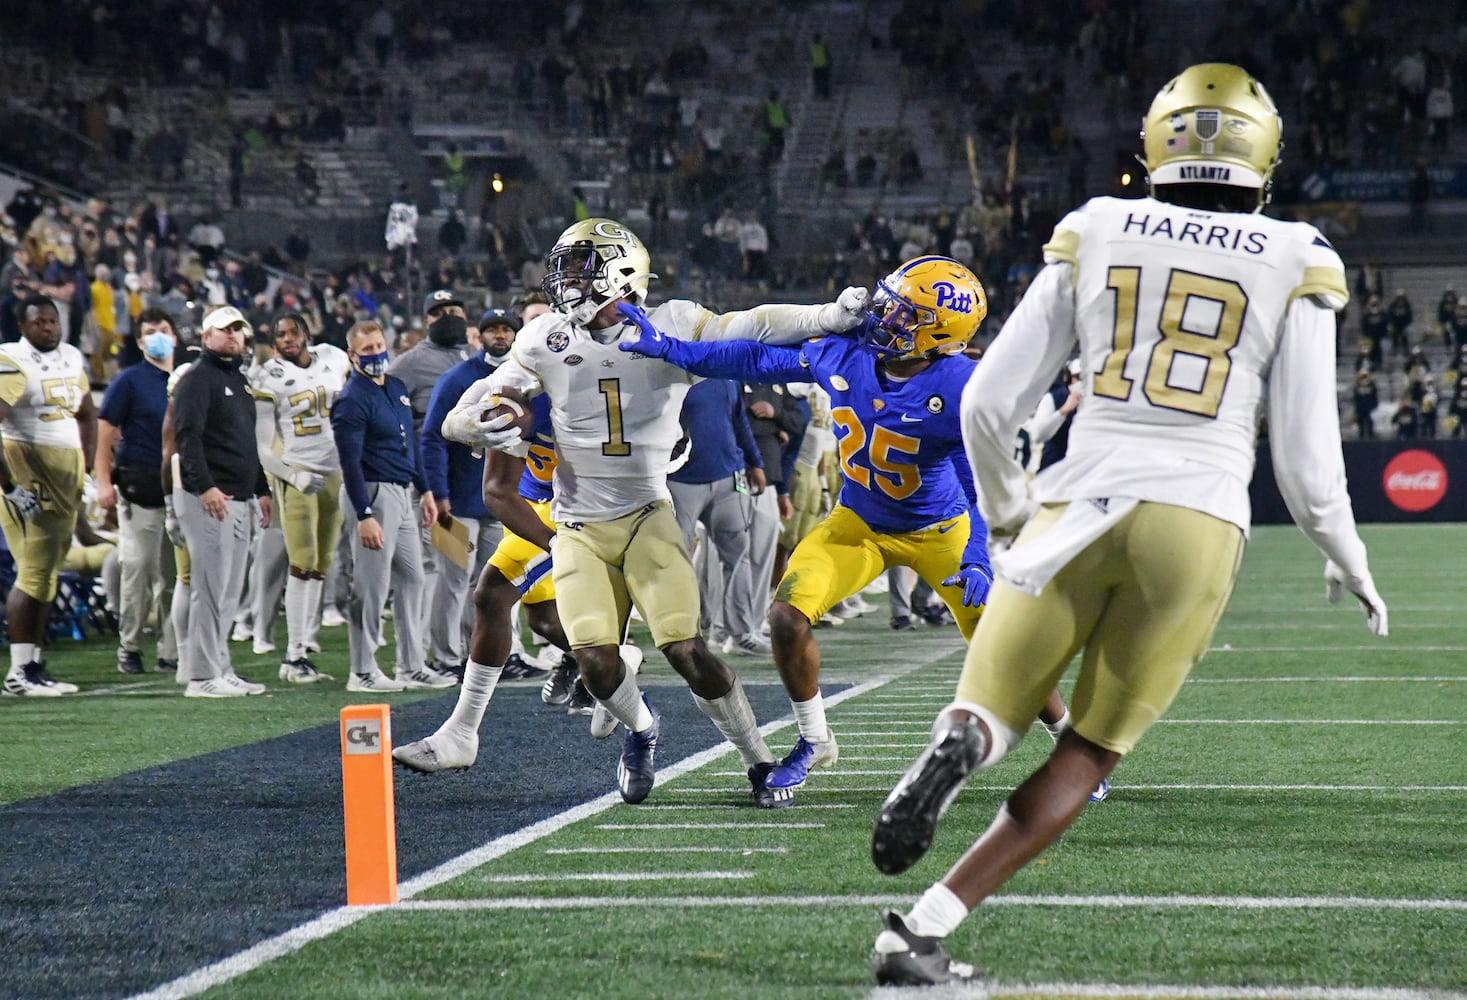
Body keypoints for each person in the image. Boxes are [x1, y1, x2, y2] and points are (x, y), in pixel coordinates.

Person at [864, 63, 1389, 986]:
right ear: (1261, 155)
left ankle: (962, 747)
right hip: (1197, 516)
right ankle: (921, 931)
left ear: (1157, 139)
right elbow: (1305, 454)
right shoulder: (1298, 251)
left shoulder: (1095, 223)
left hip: (1078, 495)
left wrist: (1009, 509)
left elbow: (989, 400)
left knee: (990, 709)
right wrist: (1343, 551)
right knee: (1086, 751)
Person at [439, 217, 871, 806]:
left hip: (648, 511)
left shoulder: (672, 324)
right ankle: (643, 729)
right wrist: (463, 422)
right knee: (593, 660)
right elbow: (483, 395)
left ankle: (758, 759)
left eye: (580, 268)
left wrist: (827, 316)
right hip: (576, 522)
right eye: (565, 268)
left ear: (619, 272)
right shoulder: (546, 337)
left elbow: (755, 324)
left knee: (687, 649)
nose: (566, 282)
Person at [617, 257, 1084, 798]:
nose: (883, 317)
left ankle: (1070, 742)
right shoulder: (848, 351)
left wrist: (978, 554)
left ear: (940, 333)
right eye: (889, 302)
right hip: (858, 521)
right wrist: (674, 350)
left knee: (1005, 646)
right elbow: (755, 358)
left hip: (943, 529)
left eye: (903, 314)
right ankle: (814, 740)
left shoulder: (962, 386)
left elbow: (978, 483)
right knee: (786, 617)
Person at [331, 320, 444, 692]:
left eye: (379, 345)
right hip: (373, 493)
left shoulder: (395, 386)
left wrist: (424, 490)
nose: (376, 353)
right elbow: (349, 462)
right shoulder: (351, 398)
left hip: (402, 492)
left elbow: (408, 443)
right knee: (371, 587)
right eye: (367, 349)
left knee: (413, 577)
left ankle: (411, 665)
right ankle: (361, 671)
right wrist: (364, 514)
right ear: (352, 355)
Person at [170, 306, 275, 698]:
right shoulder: (197, 379)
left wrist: (261, 488)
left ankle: (219, 665)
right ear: (206, 335)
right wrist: (206, 487)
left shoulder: (239, 381)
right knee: (210, 587)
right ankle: (200, 676)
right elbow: (187, 439)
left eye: (238, 330)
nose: (232, 337)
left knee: (230, 590)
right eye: (224, 330)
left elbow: (247, 444)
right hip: (211, 497)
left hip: (239, 494)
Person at [416, 307, 521, 680]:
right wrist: (439, 494)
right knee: (452, 580)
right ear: (479, 335)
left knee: (494, 584)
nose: (499, 336)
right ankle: (444, 657)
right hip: (457, 503)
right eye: (491, 329)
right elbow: (431, 437)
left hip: (500, 503)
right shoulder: (457, 378)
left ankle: (482, 655)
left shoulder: (529, 376)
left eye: (505, 330)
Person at [0, 295, 96, 696]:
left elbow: (88, 413)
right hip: (29, 476)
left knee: (48, 575)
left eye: (53, 321)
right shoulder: (11, 358)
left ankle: (35, 665)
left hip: (65, 479)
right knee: (34, 571)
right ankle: (18, 673)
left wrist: (87, 469)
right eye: (40, 322)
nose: (49, 328)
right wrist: (9, 486)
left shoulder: (72, 356)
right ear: (23, 326)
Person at [249, 311, 352, 683]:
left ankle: (306, 643)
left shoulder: (334, 358)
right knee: (301, 560)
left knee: (321, 562)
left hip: (335, 470)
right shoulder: (267, 376)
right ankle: (292, 655)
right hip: (296, 471)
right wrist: (293, 475)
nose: (288, 339)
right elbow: (262, 447)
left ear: (307, 333)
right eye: (280, 334)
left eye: (293, 332)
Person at [95, 307, 179, 675]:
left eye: (163, 329)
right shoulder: (129, 381)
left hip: (179, 487)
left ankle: (171, 650)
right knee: (138, 568)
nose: (158, 335)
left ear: (174, 336)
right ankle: (129, 645)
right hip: (140, 481)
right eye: (150, 331)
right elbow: (104, 429)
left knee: (175, 575)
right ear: (141, 341)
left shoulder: (186, 379)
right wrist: (102, 480)